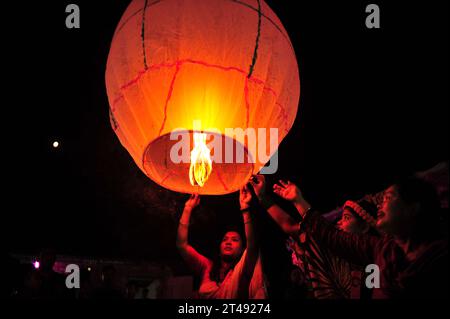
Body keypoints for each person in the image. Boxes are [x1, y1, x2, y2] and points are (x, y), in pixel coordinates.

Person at [256, 176, 447, 298]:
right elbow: (318, 232)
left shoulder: (437, 261)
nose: (381, 204)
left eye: (389, 198)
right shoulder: (382, 251)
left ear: (413, 207)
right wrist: (295, 200)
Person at [176, 182, 266, 299]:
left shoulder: (243, 268)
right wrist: (187, 208)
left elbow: (252, 245)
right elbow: (181, 245)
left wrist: (245, 209)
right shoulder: (207, 267)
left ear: (243, 250)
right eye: (225, 239)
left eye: (234, 240)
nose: (228, 242)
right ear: (219, 247)